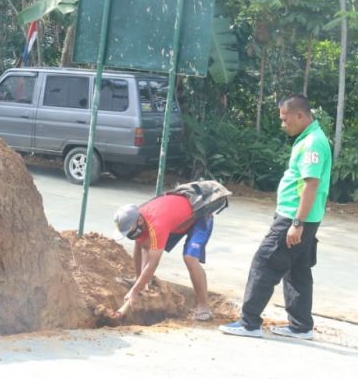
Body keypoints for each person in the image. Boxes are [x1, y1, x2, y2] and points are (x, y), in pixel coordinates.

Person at [220, 94, 332, 340]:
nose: (283, 125)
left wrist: (296, 224)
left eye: (285, 119)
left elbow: (311, 185)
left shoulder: (312, 142)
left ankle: (249, 322)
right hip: (303, 219)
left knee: (264, 263)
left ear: (300, 115)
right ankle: (301, 326)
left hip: (294, 218)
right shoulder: (310, 137)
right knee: (297, 271)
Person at [112, 192, 216, 321]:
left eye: (129, 230)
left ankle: (203, 306)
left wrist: (134, 291)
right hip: (178, 221)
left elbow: (153, 263)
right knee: (142, 242)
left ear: (139, 220)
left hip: (199, 217)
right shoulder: (140, 217)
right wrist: (138, 283)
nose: (129, 234)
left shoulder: (156, 224)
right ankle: (138, 279)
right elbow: (141, 245)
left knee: (190, 258)